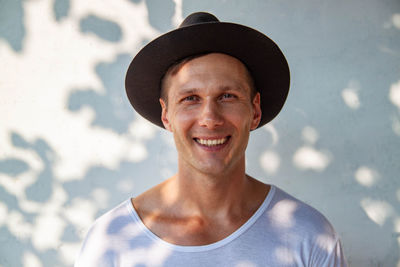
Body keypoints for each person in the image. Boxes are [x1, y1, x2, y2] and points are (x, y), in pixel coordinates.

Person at [75, 12, 347, 267]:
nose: (210, 118)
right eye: (190, 98)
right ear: (166, 115)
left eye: (227, 96)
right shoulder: (112, 241)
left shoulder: (308, 235)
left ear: (255, 110)